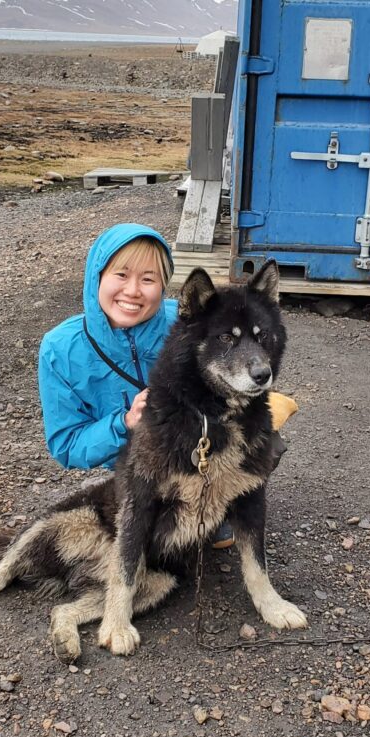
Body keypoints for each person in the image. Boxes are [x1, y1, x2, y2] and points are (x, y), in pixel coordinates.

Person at [38, 223, 235, 548]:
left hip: (193, 447)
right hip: (127, 459)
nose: (133, 291)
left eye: (148, 279)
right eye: (121, 275)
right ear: (96, 277)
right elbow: (66, 443)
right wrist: (124, 423)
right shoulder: (60, 349)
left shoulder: (188, 324)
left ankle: (215, 502)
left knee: (267, 440)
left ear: (163, 285)